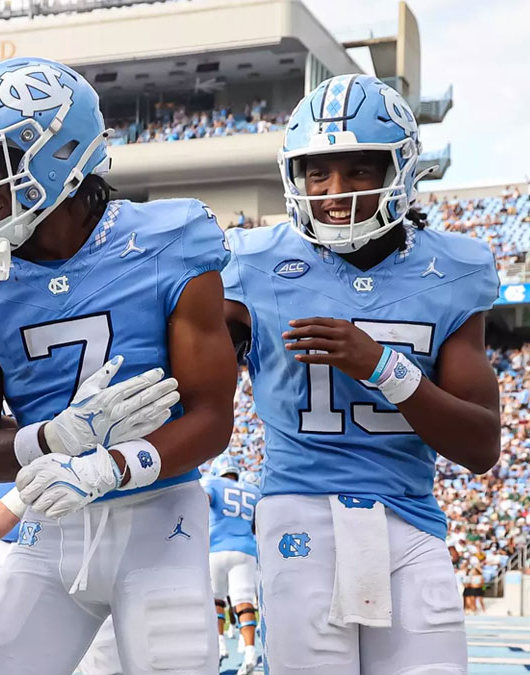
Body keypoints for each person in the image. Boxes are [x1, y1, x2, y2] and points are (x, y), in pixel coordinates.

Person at [0, 56, 237, 674]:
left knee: (172, 661)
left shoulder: (169, 240)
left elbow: (211, 419)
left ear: (58, 154)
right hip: (44, 518)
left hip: (158, 512)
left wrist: (107, 464)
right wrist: (54, 438)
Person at [222, 74, 500, 673]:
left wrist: (382, 367)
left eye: (358, 172)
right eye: (317, 173)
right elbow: (199, 386)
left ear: (398, 172)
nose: (334, 192)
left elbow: (480, 445)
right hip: (298, 508)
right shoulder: (252, 263)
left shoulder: (452, 269)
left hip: (409, 515)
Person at [204, 455, 261, 673]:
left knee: (216, 600)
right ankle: (249, 651)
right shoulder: (251, 490)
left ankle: (219, 646)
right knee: (244, 602)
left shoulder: (214, 483)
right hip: (246, 550)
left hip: (216, 549)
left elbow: (204, 500)